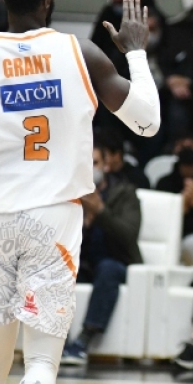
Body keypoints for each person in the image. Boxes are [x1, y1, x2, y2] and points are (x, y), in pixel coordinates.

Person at [0, 0, 160, 384]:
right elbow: (148, 123)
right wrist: (135, 53)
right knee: (41, 364)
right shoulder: (81, 53)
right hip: (52, 218)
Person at [61, 140, 142, 365]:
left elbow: (128, 236)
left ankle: (84, 339)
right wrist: (82, 223)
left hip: (114, 260)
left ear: (106, 165)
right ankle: (60, 340)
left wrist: (100, 211)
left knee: (108, 269)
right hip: (80, 262)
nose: (90, 168)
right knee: (56, 266)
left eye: (95, 162)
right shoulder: (68, 194)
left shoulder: (125, 193)